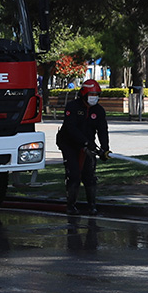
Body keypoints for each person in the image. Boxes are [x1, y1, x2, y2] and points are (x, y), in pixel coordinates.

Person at [55, 78, 109, 214]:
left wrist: (104, 148)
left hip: (88, 145)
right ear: (84, 94)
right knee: (73, 173)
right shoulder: (72, 107)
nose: (94, 98)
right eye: (91, 95)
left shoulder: (99, 111)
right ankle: (71, 205)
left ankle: (92, 205)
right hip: (69, 143)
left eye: (96, 95)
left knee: (89, 175)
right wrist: (87, 144)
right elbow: (71, 129)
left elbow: (102, 130)